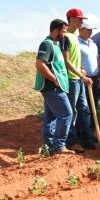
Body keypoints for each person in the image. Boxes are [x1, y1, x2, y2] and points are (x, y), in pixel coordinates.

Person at [34, 19, 75, 155]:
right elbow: (40, 64)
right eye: (63, 32)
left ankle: (50, 146)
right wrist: (54, 79)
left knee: (51, 118)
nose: (65, 35)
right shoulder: (47, 45)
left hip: (55, 87)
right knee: (66, 115)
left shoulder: (56, 45)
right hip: (52, 87)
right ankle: (58, 146)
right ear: (56, 30)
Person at [61, 8, 95, 151]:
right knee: (72, 112)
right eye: (80, 19)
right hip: (71, 79)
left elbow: (75, 59)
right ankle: (70, 142)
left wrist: (81, 68)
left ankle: (87, 140)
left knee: (84, 109)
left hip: (78, 79)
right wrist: (82, 76)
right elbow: (66, 61)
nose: (82, 21)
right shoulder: (65, 37)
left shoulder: (75, 37)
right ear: (72, 19)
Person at [78, 21, 100, 144]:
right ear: (81, 29)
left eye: (92, 30)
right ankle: (82, 135)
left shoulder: (93, 44)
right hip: (82, 79)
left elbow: (97, 59)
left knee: (93, 107)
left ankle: (91, 133)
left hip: (94, 78)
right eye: (88, 30)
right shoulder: (76, 43)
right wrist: (82, 75)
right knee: (83, 108)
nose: (91, 32)